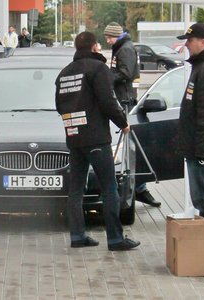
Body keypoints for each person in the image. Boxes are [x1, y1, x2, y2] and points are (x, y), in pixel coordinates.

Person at [55, 31, 140, 251]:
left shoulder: (64, 74)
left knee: (75, 190)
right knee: (109, 188)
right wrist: (123, 123)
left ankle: (77, 235)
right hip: (96, 138)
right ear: (94, 47)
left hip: (74, 138)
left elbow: (59, 106)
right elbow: (108, 102)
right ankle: (115, 239)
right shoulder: (98, 69)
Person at [104, 22, 161, 208]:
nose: (107, 40)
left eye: (109, 37)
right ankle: (139, 188)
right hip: (124, 98)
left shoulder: (125, 49)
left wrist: (106, 78)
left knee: (128, 146)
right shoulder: (121, 47)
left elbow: (125, 73)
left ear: (116, 36)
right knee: (128, 146)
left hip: (125, 100)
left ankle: (138, 187)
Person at [176, 23, 204, 221]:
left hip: (201, 147)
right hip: (194, 145)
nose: (186, 44)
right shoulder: (200, 66)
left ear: (203, 42)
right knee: (200, 198)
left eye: (190, 40)